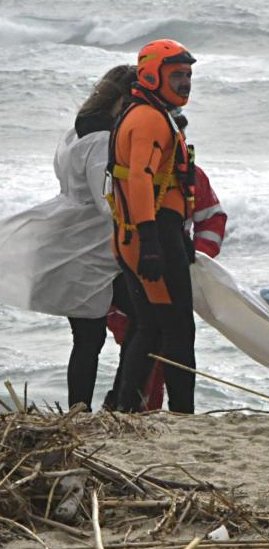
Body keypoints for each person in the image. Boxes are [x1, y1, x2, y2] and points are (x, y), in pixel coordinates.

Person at [0, 65, 136, 411]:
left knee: (102, 331)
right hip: (90, 246)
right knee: (104, 332)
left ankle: (96, 406)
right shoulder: (102, 138)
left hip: (74, 237)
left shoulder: (75, 131)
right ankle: (92, 407)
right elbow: (106, 202)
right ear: (121, 99)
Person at [108, 38, 198, 413]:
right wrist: (153, 242)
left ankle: (125, 406)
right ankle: (182, 415)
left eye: (189, 75)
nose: (185, 82)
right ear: (150, 74)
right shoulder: (147, 119)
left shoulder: (150, 113)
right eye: (176, 74)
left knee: (152, 327)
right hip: (150, 234)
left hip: (147, 233)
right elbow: (141, 179)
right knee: (177, 329)